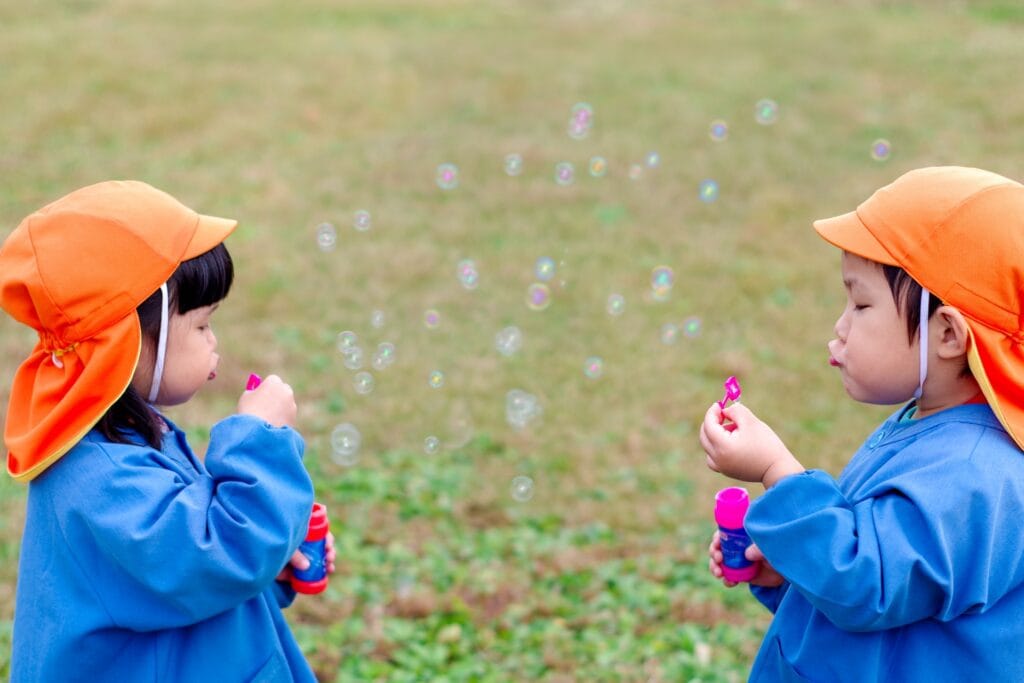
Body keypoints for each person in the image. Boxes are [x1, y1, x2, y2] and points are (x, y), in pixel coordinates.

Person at [0, 181, 335, 681]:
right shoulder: (102, 480)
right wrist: (261, 440)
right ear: (127, 340)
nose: (214, 342)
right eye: (201, 326)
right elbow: (213, 555)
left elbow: (180, 578)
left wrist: (272, 560)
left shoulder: (120, 438)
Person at [700, 166, 1024, 681]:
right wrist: (796, 568)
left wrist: (775, 470)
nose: (841, 324)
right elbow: (892, 590)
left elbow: (865, 584)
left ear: (946, 335)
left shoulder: (973, 474)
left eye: (861, 302)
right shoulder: (931, 423)